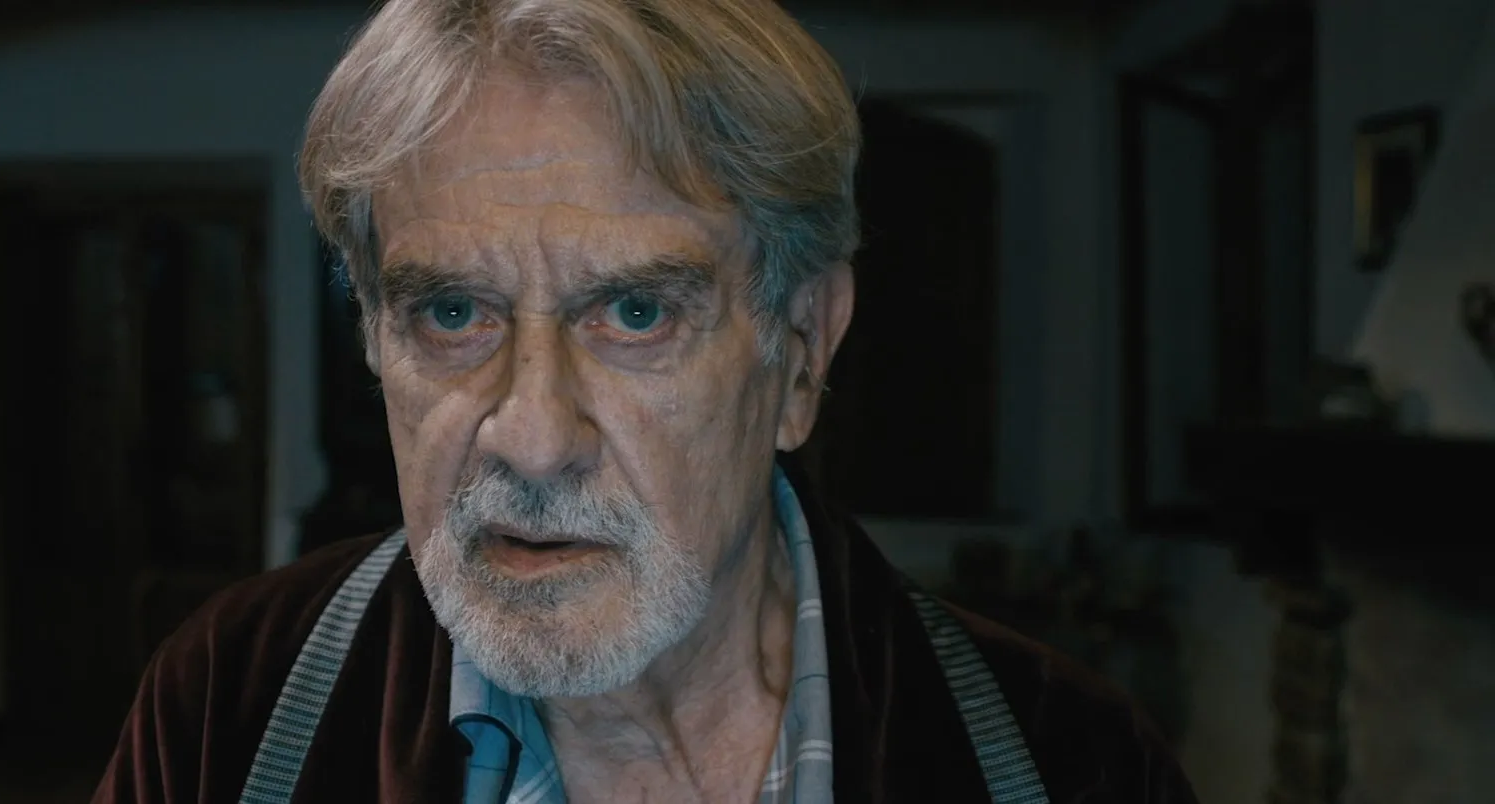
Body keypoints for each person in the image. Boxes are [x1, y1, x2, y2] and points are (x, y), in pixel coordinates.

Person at [93, 1, 1198, 801]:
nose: (533, 439)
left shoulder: (1067, 763)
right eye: (452, 314)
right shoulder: (236, 706)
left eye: (634, 314)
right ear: (377, 337)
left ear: (801, 351)